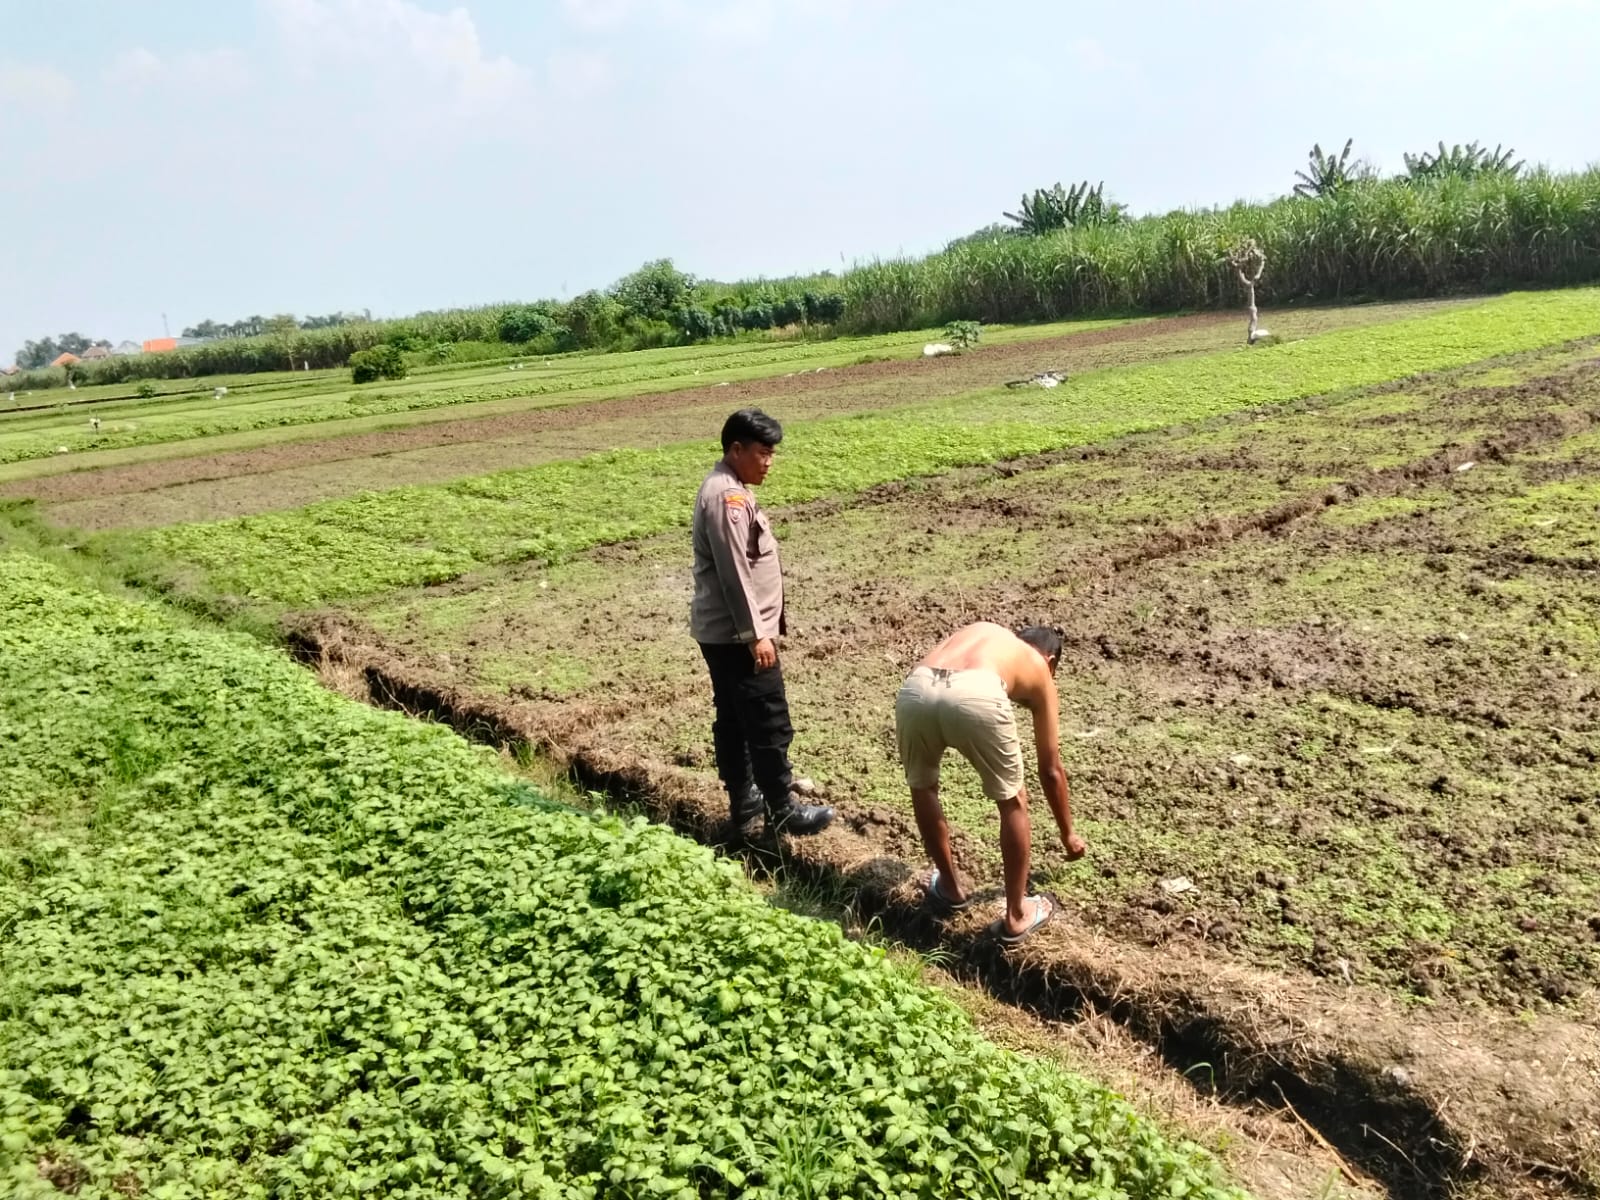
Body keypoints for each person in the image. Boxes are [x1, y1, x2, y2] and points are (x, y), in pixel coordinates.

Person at [894, 622, 1087, 942]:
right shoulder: (1039, 666)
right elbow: (1051, 769)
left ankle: (950, 888)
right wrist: (1068, 834)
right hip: (976, 692)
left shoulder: (987, 634)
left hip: (916, 687)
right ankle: (1017, 914)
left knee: (923, 786)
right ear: (1051, 661)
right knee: (1013, 800)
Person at [691, 409, 834, 836]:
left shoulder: (728, 488)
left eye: (773, 454)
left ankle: (746, 800)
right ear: (736, 450)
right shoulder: (726, 498)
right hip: (739, 636)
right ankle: (781, 805)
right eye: (762, 453)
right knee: (767, 716)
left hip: (726, 632)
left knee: (735, 718)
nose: (768, 462)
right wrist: (756, 635)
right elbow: (735, 571)